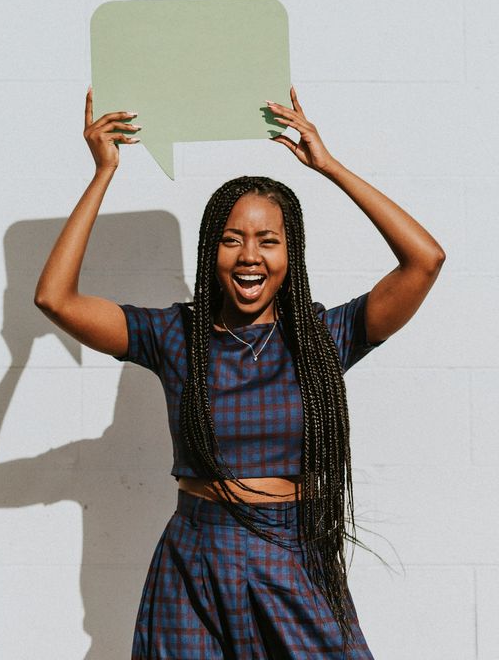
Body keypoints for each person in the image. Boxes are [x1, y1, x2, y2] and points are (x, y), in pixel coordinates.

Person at [34, 85, 446, 659]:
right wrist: (104, 172)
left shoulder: (323, 338)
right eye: (232, 240)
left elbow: (425, 261)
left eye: (267, 241)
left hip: (291, 552)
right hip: (193, 556)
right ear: (212, 253)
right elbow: (55, 298)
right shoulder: (174, 336)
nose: (249, 255)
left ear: (289, 254)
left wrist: (328, 166)